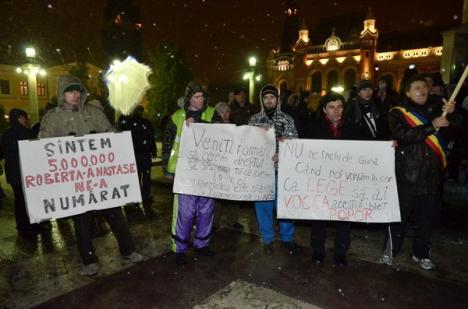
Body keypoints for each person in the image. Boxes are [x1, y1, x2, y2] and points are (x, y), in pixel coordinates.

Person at [38, 75, 143, 276]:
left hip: (100, 177)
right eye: (70, 91)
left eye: (78, 90)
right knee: (82, 221)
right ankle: (89, 260)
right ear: (62, 94)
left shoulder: (94, 113)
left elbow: (110, 132)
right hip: (75, 180)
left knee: (115, 213)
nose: (75, 95)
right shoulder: (53, 118)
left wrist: (116, 139)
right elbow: (43, 145)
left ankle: (129, 249)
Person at [379, 75, 458, 270]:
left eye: (424, 86)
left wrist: (454, 114)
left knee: (426, 220)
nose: (422, 90)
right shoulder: (398, 113)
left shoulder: (437, 109)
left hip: (431, 178)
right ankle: (389, 252)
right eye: (416, 87)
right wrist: (432, 125)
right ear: (407, 92)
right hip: (407, 177)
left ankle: (421, 253)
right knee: (398, 219)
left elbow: (455, 132)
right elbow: (403, 136)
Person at [162, 81, 216, 265]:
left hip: (207, 171)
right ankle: (180, 248)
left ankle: (202, 244)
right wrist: (167, 168)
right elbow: (168, 143)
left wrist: (200, 123)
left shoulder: (211, 113)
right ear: (189, 99)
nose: (200, 100)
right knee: (184, 212)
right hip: (184, 172)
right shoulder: (177, 117)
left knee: (206, 210)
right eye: (196, 97)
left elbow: (223, 133)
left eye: (202, 96)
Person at [248, 84, 298, 255]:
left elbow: (294, 144)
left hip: (281, 172)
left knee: (284, 206)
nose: (269, 100)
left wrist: (282, 153)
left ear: (277, 100)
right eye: (266, 97)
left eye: (272, 97)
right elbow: (247, 146)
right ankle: (267, 239)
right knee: (263, 207)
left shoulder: (287, 119)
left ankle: (287, 238)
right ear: (262, 100)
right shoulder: (254, 120)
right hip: (261, 173)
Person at [307, 92, 352, 267]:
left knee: (344, 217)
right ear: (324, 109)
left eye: (340, 107)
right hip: (321, 180)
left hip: (345, 180)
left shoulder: (353, 127)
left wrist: (388, 146)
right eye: (332, 107)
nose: (336, 111)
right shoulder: (314, 127)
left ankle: (341, 252)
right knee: (319, 215)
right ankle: (318, 250)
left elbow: (368, 149)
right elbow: (303, 148)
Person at [1, 109, 44, 234]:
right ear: (20, 118)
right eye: (25, 118)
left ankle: (23, 226)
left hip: (14, 174)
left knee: (20, 200)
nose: (25, 120)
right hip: (27, 173)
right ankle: (31, 225)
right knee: (29, 200)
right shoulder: (26, 133)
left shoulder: (6, 134)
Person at [211, 102, 244, 231]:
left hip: (232, 166)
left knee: (233, 195)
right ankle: (214, 223)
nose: (225, 114)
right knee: (217, 196)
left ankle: (233, 220)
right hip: (218, 166)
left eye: (227, 112)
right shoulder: (212, 127)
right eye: (221, 112)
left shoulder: (235, 127)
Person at [117, 105, 157, 209]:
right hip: (141, 153)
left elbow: (150, 137)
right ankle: (143, 196)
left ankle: (139, 196)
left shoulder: (130, 123)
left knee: (139, 176)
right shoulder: (141, 123)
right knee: (143, 176)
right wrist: (153, 150)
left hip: (138, 153)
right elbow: (150, 137)